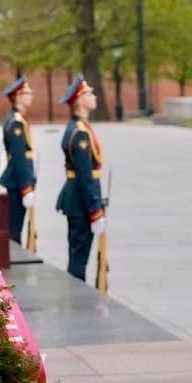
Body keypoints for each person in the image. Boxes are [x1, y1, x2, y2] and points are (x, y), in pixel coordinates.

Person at [55, 76, 105, 282]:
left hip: (77, 198)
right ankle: (77, 296)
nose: (93, 97)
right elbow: (85, 177)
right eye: (89, 93)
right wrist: (95, 211)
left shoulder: (79, 128)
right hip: (80, 201)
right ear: (79, 100)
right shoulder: (80, 133)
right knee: (79, 257)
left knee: (78, 253)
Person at [0, 76, 36, 246]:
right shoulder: (17, 122)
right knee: (14, 230)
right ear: (18, 96)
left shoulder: (15, 118)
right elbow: (19, 158)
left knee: (15, 227)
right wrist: (26, 187)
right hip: (17, 182)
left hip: (16, 180)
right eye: (27, 93)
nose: (31, 96)